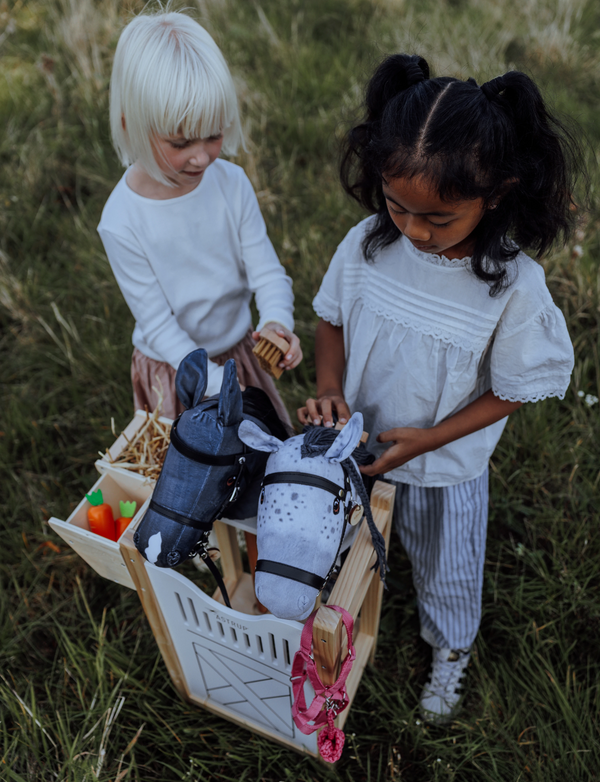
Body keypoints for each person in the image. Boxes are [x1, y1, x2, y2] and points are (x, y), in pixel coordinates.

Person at [298, 54, 579, 722]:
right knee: (337, 543)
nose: (415, 231)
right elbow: (330, 318)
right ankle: (332, 619)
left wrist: (429, 440)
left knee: (446, 567)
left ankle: (449, 652)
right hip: (360, 447)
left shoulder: (511, 288)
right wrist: (330, 387)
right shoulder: (370, 243)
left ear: (497, 192)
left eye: (438, 218)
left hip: (445, 465)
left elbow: (512, 388)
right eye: (398, 207)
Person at [98, 10, 302, 424]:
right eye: (180, 141)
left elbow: (265, 270)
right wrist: (213, 382)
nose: (202, 155)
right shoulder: (122, 220)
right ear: (130, 126)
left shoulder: (230, 183)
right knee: (190, 475)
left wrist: (277, 320)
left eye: (214, 134)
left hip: (237, 353)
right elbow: (157, 325)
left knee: (254, 458)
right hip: (176, 367)